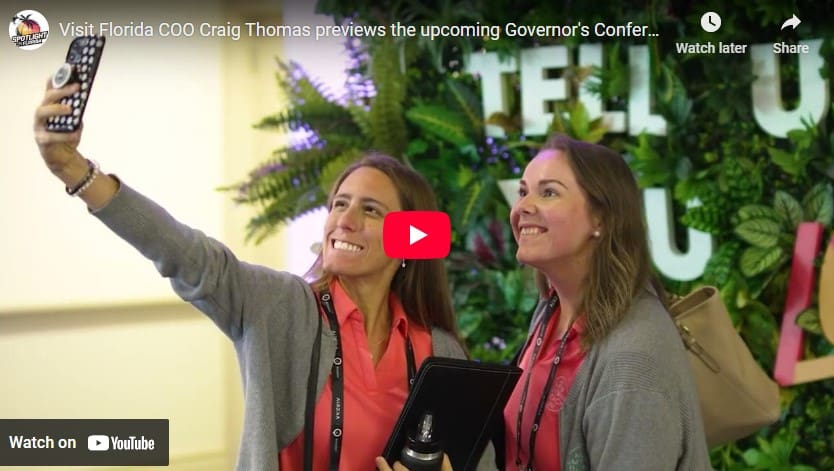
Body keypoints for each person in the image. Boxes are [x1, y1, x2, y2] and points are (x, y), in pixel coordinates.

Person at [33, 78, 494, 471]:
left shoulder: (440, 351)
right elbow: (185, 254)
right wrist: (76, 171)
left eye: (369, 209)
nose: (344, 220)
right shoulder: (280, 306)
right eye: (339, 204)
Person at [500, 134, 711, 470]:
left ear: (600, 218)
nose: (522, 207)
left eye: (549, 192)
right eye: (523, 191)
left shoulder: (634, 356)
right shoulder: (552, 309)